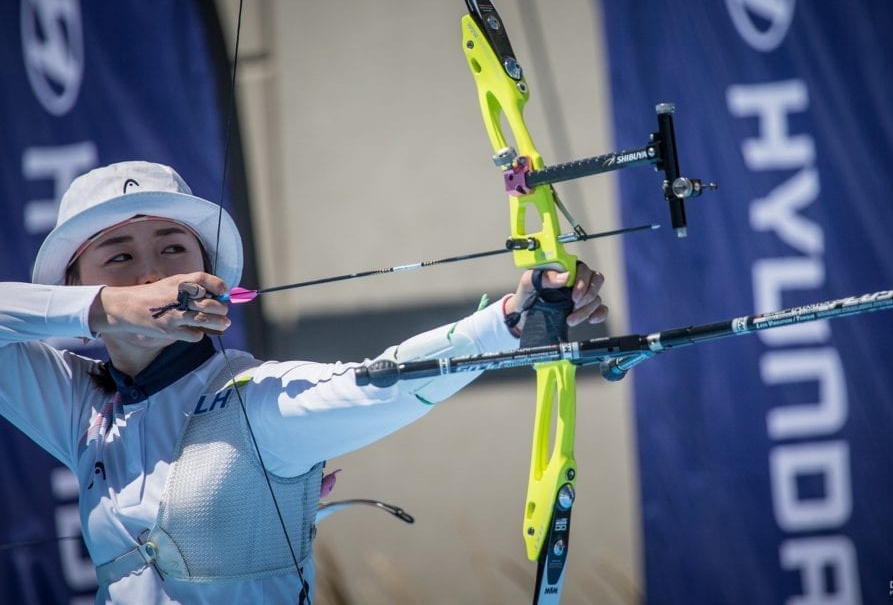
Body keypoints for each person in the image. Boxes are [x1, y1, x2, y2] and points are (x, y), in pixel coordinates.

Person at [0, 161, 607, 604]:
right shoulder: (79, 405)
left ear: (208, 275)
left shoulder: (257, 401)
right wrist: (109, 307)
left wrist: (506, 322)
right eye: (120, 257)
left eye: (173, 248)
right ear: (78, 285)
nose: (154, 273)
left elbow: (382, 383)